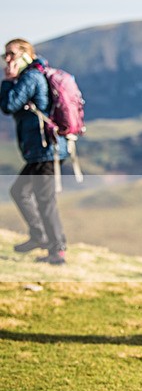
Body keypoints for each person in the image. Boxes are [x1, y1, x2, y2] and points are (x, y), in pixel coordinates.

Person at [1, 38, 69, 265]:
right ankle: (40, 237)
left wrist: (8, 81)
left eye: (11, 54)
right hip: (40, 151)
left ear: (26, 54)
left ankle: (57, 250)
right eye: (4, 55)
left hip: (45, 150)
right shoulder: (32, 75)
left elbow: (9, 105)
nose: (7, 59)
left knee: (44, 200)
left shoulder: (30, 77)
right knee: (20, 192)